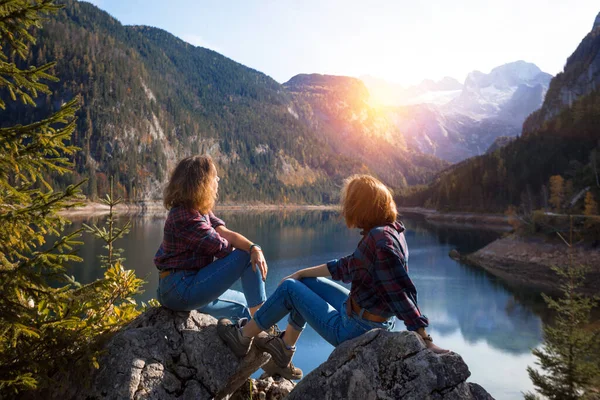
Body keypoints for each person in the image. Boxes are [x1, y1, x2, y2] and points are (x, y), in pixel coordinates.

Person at [217, 174, 449, 377]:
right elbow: (346, 266)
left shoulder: (380, 241)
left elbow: (400, 292)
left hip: (355, 330)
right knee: (301, 283)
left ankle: (242, 337)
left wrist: (424, 337)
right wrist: (301, 273)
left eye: (351, 203)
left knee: (288, 288)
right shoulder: (391, 232)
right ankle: (283, 355)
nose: (346, 208)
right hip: (363, 315)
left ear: (362, 207)